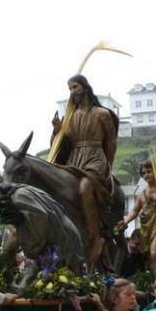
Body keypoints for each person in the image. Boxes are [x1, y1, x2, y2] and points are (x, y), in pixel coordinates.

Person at [51, 74, 119, 263]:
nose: (72, 92)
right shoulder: (69, 117)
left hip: (95, 157)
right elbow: (58, 146)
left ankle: (94, 235)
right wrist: (56, 131)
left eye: (75, 87)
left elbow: (111, 143)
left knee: (85, 186)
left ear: (85, 87)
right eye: (70, 88)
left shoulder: (102, 114)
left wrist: (108, 166)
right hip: (74, 158)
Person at [120, 161, 156, 273]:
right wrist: (125, 221)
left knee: (154, 253)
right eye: (143, 173)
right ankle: (154, 280)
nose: (146, 175)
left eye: (149, 172)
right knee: (149, 256)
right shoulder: (142, 194)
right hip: (146, 226)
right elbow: (134, 211)